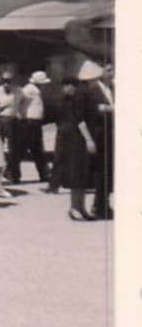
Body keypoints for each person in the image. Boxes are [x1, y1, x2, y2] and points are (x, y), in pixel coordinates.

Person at [49, 75, 94, 221]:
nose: (66, 89)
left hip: (76, 139)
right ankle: (74, 207)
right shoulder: (63, 102)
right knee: (75, 174)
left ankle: (81, 207)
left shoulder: (77, 101)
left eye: (69, 86)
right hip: (70, 140)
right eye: (65, 86)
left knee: (82, 174)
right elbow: (75, 122)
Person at [77, 58, 114, 220]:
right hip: (97, 133)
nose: (111, 73)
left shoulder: (112, 88)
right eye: (108, 70)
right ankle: (93, 205)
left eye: (112, 70)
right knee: (98, 170)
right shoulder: (90, 91)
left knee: (108, 170)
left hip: (110, 133)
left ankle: (103, 203)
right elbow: (86, 113)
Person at [18, 70, 51, 182]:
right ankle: (12, 171)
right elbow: (19, 101)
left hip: (35, 122)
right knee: (26, 148)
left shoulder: (36, 90)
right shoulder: (29, 89)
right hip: (29, 122)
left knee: (37, 149)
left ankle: (44, 173)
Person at [0, 68, 21, 184]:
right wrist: (4, 105)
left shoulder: (19, 91)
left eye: (9, 81)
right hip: (0, 120)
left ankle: (13, 174)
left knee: (13, 149)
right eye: (4, 81)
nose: (7, 84)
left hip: (12, 120)